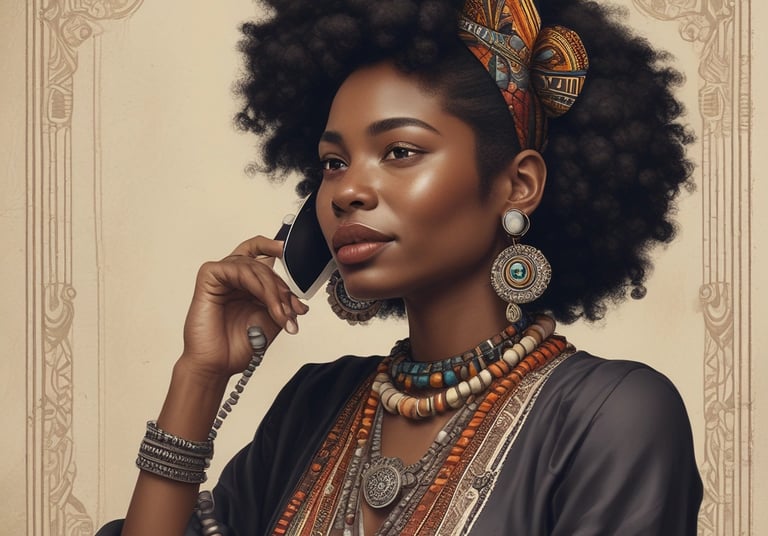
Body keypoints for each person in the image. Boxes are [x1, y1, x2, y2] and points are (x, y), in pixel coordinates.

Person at [98, 0, 703, 534]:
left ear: (518, 184)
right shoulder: (315, 404)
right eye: (334, 162)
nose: (346, 193)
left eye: (400, 151)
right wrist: (199, 378)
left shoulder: (615, 416)